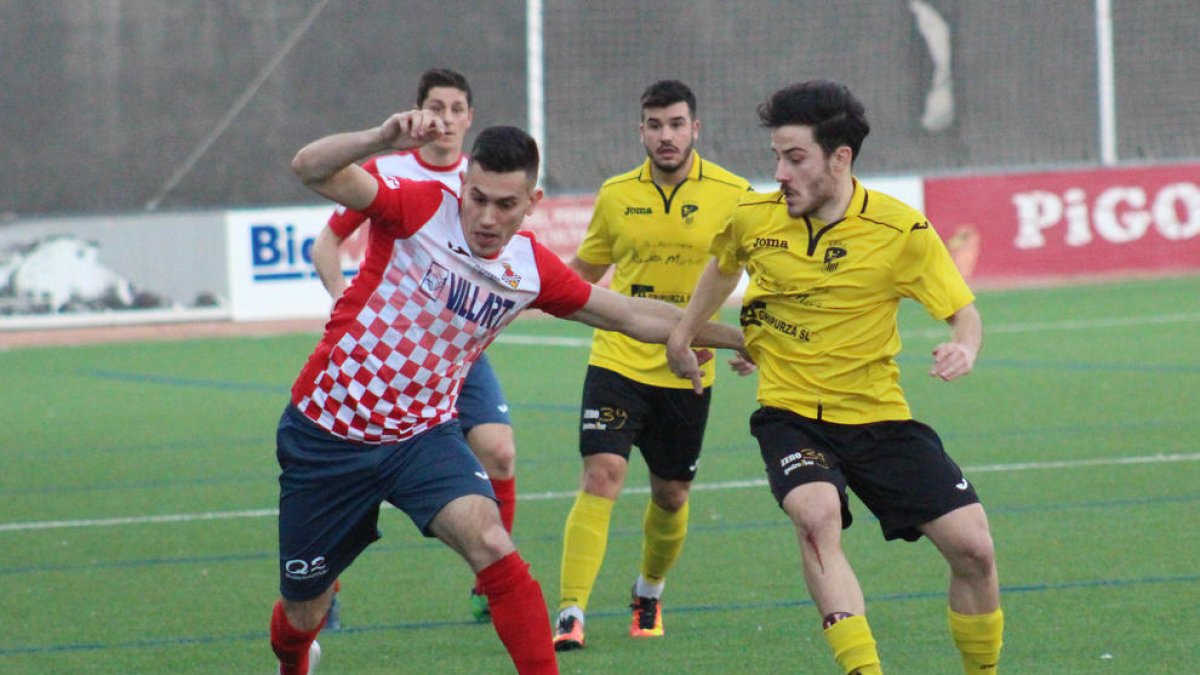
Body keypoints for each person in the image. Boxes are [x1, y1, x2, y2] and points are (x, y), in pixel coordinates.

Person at [271, 110, 745, 675]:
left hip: (422, 438)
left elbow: (629, 312)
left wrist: (736, 337)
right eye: (478, 198)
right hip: (326, 434)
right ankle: (295, 660)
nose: (487, 217)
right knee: (304, 610)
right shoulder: (419, 207)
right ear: (463, 185)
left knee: (494, 546)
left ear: (532, 203)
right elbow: (308, 168)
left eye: (505, 205)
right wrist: (379, 137)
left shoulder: (529, 268)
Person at [666, 80, 1003, 674]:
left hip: (878, 416)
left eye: (795, 158)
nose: (781, 172)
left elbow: (963, 312)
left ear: (839, 158)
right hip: (791, 415)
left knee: (974, 548)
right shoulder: (753, 218)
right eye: (776, 156)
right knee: (817, 516)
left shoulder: (900, 231)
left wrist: (964, 347)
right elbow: (721, 269)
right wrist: (683, 333)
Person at [552, 80, 753, 651]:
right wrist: (525, 289)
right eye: (655, 125)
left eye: (676, 124)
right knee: (602, 474)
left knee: (671, 496)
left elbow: (762, 270)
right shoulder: (616, 194)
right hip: (618, 357)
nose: (666, 135)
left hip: (689, 368)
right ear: (640, 130)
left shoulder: (734, 193)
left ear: (696, 129)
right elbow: (585, 270)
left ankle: (649, 591)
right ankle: (570, 612)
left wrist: (747, 341)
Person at [310, 67, 515, 624]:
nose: (445, 119)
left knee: (499, 450)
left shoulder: (487, 183)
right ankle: (324, 587)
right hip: (388, 357)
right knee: (354, 470)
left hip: (457, 352)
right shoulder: (389, 170)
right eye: (436, 107)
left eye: (456, 109)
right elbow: (327, 240)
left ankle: (490, 584)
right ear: (419, 111)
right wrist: (339, 299)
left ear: (470, 118)